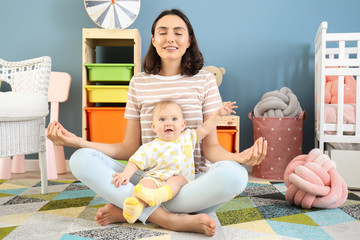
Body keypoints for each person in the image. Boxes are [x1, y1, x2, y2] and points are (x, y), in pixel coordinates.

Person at [47, 8, 267, 237]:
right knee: (81, 159)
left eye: (178, 32)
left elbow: (210, 148)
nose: (170, 38)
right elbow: (129, 148)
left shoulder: (205, 80)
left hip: (189, 182)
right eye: (162, 32)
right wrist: (77, 141)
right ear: (153, 39)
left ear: (189, 40)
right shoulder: (138, 82)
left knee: (236, 175)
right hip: (147, 179)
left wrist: (238, 158)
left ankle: (131, 209)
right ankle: (168, 219)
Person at [114, 100, 238, 224]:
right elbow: (135, 162)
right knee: (143, 185)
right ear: (153, 126)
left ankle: (158, 195)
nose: (168, 123)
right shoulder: (149, 147)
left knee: (177, 180)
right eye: (162, 120)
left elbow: (206, 128)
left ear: (183, 125)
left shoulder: (186, 139)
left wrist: (218, 115)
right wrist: (125, 174)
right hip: (156, 179)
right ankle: (133, 208)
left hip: (181, 184)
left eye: (174, 119)